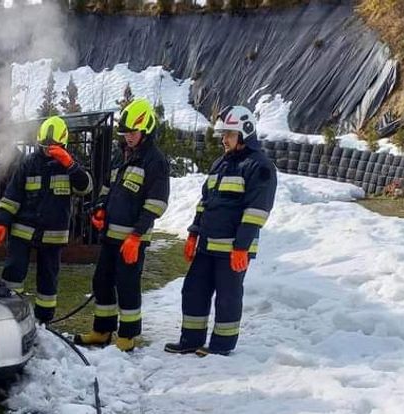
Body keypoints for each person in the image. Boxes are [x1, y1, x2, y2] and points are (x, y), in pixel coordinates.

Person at [165, 105, 277, 357]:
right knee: (194, 291)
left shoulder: (259, 166)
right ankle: (191, 340)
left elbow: (257, 211)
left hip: (233, 250)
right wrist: (194, 233)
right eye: (223, 134)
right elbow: (205, 202)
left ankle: (221, 346)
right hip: (207, 245)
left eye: (229, 133)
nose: (223, 139)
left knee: (227, 297)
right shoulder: (220, 165)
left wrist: (241, 247)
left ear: (245, 132)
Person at [80, 98, 170, 352]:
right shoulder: (124, 157)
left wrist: (136, 236)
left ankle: (127, 336)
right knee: (102, 282)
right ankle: (102, 330)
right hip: (111, 235)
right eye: (126, 133)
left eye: (133, 132)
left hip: (132, 238)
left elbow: (157, 203)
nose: (128, 137)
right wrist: (100, 208)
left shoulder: (155, 161)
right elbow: (110, 190)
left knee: (127, 285)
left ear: (146, 130)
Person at [0, 116, 93, 322]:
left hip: (53, 235)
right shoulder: (29, 164)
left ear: (63, 144)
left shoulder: (70, 166)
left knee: (48, 280)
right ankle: (10, 316)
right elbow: (12, 195)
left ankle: (44, 321)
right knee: (13, 272)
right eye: (45, 146)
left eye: (53, 146)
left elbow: (87, 188)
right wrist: (2, 222)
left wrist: (70, 165)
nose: (48, 150)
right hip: (23, 230)